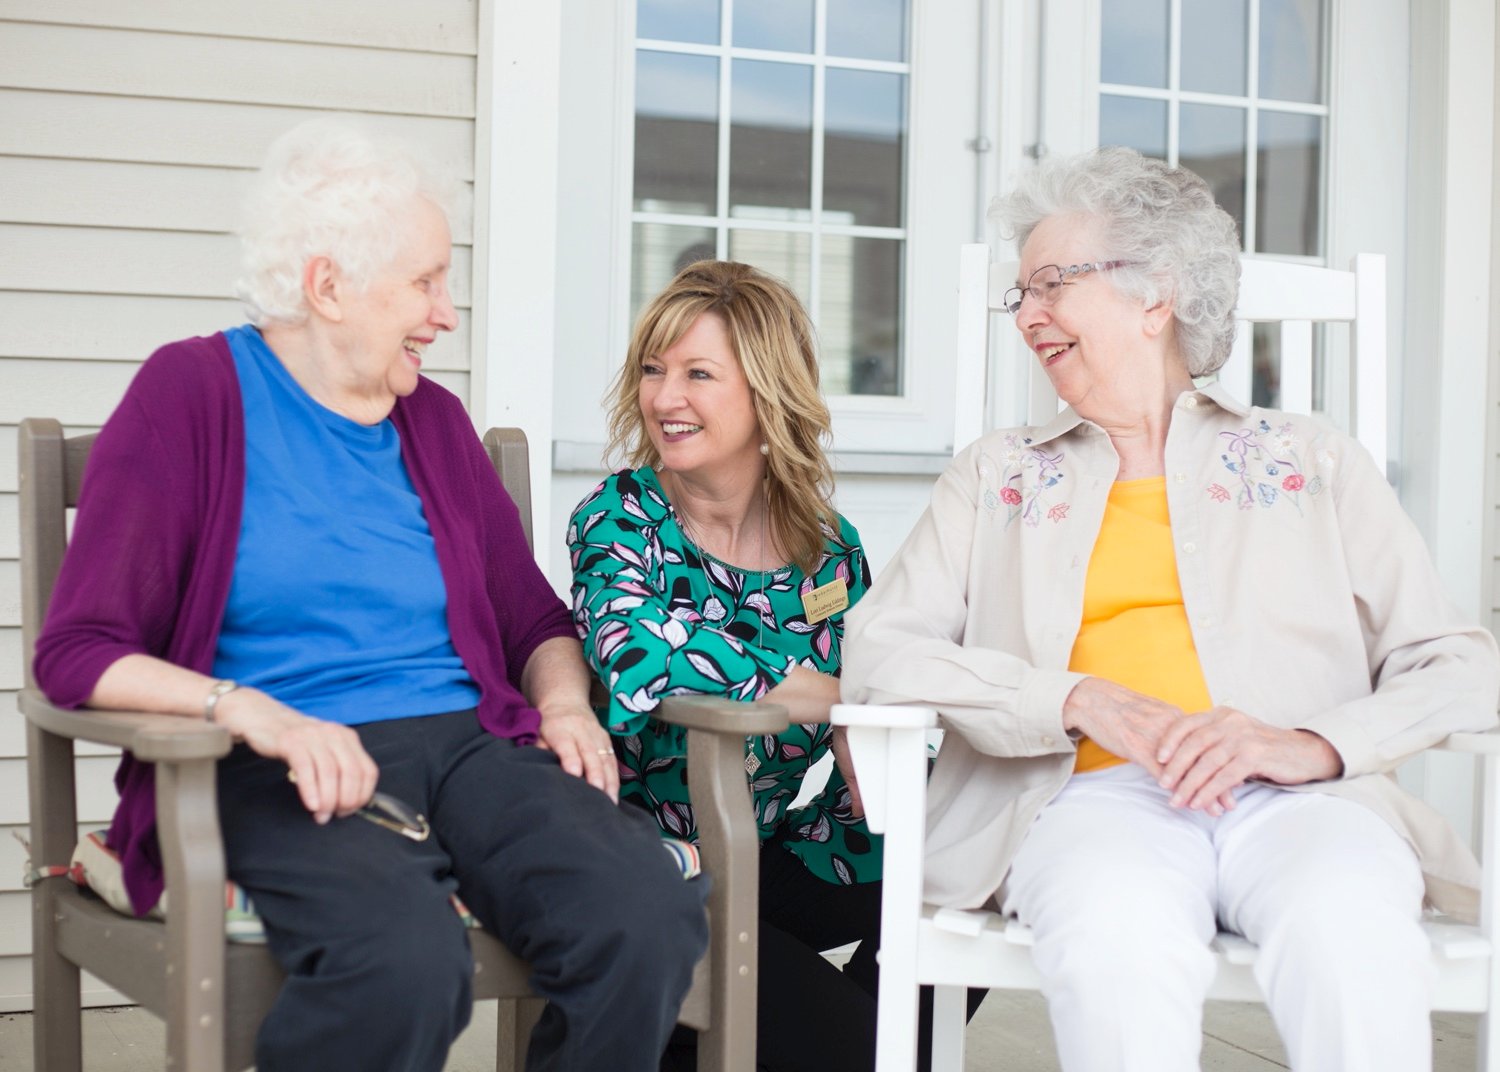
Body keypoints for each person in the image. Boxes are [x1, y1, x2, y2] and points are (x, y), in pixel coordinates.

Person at [32, 117, 706, 1072]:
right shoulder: (193, 393)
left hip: (472, 752)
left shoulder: (433, 421)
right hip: (280, 763)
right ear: (327, 285)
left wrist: (562, 703)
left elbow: (533, 618)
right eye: (426, 282)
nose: (444, 313)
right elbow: (79, 650)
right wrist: (255, 714)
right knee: (402, 962)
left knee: (644, 913)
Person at [841, 146, 1500, 1072]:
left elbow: (1461, 666)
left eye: (1053, 284)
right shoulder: (998, 474)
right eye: (1020, 294)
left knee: (1349, 927)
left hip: (1304, 800)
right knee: (1117, 937)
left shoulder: (1312, 460)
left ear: (1156, 297)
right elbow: (880, 648)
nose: (1028, 314)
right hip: (1087, 796)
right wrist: (1073, 699)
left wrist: (1306, 745)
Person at [568, 260, 883, 1071]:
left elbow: (877, 681)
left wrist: (871, 737)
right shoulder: (621, 515)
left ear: (767, 391)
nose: (665, 398)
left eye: (698, 374)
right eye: (653, 370)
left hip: (766, 852)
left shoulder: (831, 548)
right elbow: (636, 650)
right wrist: (810, 692)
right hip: (651, 873)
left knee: (958, 870)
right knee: (850, 1044)